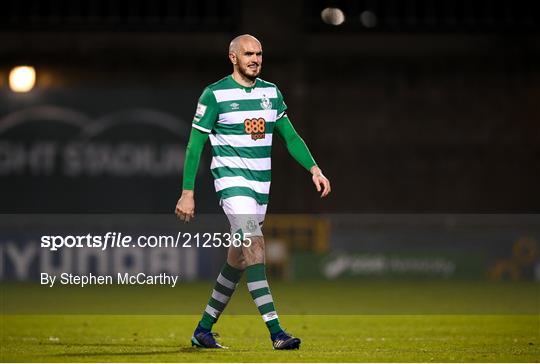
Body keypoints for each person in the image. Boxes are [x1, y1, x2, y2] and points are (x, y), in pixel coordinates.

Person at [175, 34, 331, 350]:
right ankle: (276, 332)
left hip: (261, 187)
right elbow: (195, 145)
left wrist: (314, 168)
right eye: (248, 54)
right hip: (232, 183)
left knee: (238, 259)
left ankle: (203, 330)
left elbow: (290, 136)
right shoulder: (215, 94)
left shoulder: (271, 93)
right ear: (233, 57)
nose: (255, 59)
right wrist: (187, 192)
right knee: (254, 242)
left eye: (259, 53)